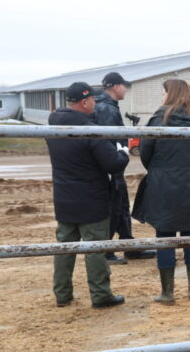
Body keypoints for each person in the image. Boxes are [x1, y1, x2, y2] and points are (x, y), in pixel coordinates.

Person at [46, 82, 130, 308]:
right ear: (84, 102)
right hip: (91, 199)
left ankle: (62, 294)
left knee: (64, 248)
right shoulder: (89, 129)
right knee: (94, 248)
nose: (96, 103)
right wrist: (124, 151)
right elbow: (112, 164)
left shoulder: (53, 123)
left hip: (64, 197)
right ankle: (101, 295)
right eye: (93, 100)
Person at [132, 79, 190, 304]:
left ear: (170, 94)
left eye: (163, 93)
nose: (161, 97)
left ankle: (167, 292)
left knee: (165, 237)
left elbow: (146, 154)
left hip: (164, 185)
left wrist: (161, 169)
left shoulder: (159, 119)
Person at [93, 71, 155, 264]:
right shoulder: (107, 109)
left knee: (121, 206)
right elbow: (107, 141)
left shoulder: (107, 106)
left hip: (115, 165)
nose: (126, 89)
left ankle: (128, 245)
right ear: (115, 86)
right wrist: (115, 162)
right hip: (112, 166)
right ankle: (107, 251)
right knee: (114, 207)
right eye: (124, 86)